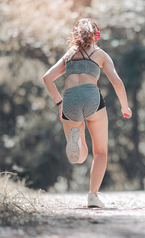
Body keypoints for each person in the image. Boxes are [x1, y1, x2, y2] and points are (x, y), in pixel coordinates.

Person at [43, 18, 131, 208]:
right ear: (95, 35)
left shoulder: (69, 55)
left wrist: (60, 103)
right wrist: (125, 107)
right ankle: (92, 195)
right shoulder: (100, 54)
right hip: (92, 99)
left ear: (75, 35)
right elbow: (117, 83)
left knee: (80, 156)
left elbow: (47, 78)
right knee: (100, 151)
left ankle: (77, 140)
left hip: (69, 101)